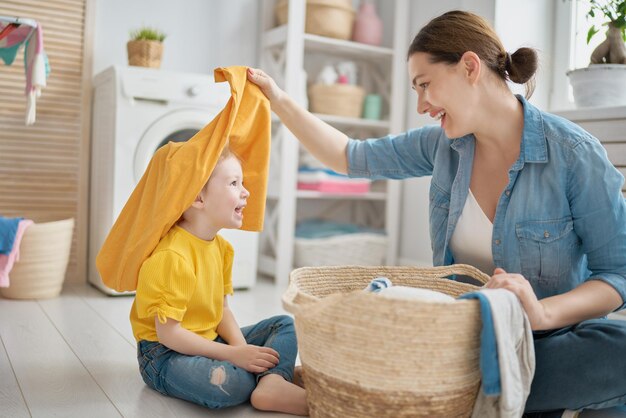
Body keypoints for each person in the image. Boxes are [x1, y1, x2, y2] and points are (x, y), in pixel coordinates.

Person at [247, 9, 626, 417]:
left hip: (543, 343)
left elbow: (617, 274)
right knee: (381, 317)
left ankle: (434, 399)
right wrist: (278, 99)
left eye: (425, 85)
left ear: (469, 67)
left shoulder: (572, 153)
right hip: (451, 346)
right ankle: (478, 398)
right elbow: (348, 155)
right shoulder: (442, 146)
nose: (421, 105)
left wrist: (541, 312)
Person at [130, 147, 308, 415]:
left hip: (210, 339)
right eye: (234, 183)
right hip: (165, 354)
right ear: (198, 198)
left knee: (285, 325)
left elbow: (222, 311)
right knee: (227, 384)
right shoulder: (171, 256)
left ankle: (270, 382)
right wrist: (235, 357)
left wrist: (242, 350)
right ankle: (274, 376)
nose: (246, 192)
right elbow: (169, 334)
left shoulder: (221, 249)